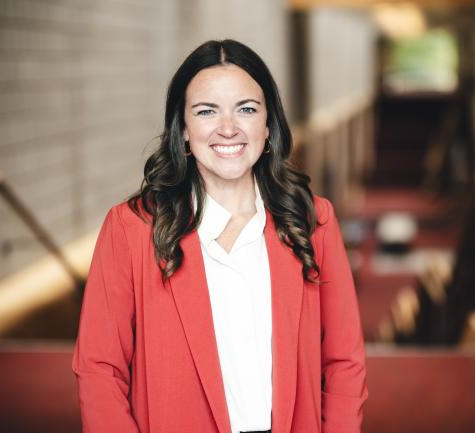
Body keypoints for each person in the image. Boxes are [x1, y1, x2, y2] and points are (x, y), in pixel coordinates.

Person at [72, 39, 368, 433]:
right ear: (183, 130)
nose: (228, 128)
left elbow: (345, 361)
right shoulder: (132, 230)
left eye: (246, 109)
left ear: (267, 127)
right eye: (207, 111)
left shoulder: (312, 222)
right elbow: (99, 370)